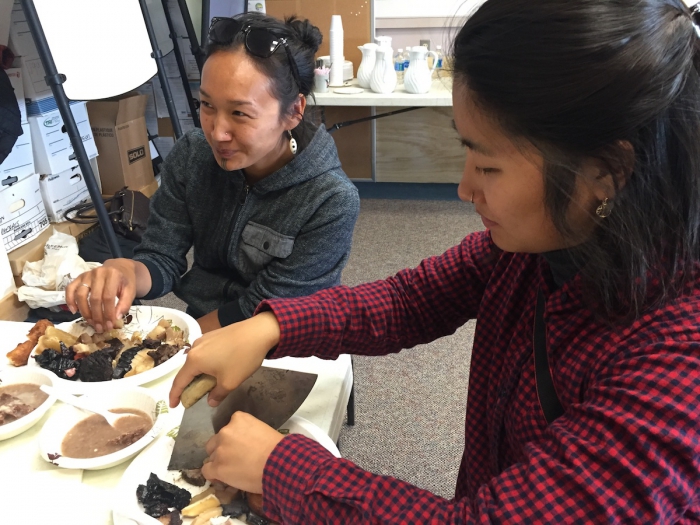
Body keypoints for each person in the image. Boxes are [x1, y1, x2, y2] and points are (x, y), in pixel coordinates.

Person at [169, 0, 700, 522]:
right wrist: (269, 327)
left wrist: (282, 468)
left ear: (606, 171)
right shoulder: (543, 246)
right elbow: (409, 300)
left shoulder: (677, 373)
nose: (465, 188)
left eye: (488, 167)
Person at [65, 13, 359, 334]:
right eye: (206, 105)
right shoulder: (193, 155)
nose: (217, 132)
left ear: (293, 112)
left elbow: (269, 306)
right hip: (205, 323)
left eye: (239, 113)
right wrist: (126, 272)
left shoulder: (330, 199)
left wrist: (177, 343)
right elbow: (163, 256)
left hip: (283, 336)